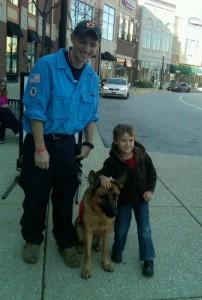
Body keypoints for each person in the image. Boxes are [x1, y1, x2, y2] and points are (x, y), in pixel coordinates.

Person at [19, 20, 101, 267]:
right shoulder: (46, 66)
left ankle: (64, 242)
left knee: (65, 197)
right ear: (72, 39)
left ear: (96, 47)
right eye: (83, 41)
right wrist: (40, 148)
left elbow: (92, 116)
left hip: (67, 147)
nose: (87, 48)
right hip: (41, 141)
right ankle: (32, 240)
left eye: (92, 44)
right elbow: (35, 111)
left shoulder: (92, 78)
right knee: (36, 196)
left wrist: (88, 144)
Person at [97, 124, 157, 277]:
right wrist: (103, 177)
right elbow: (101, 173)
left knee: (144, 230)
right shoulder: (112, 161)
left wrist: (150, 190)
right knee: (121, 228)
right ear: (116, 142)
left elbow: (152, 173)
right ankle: (118, 250)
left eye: (131, 140)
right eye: (123, 140)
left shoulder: (142, 156)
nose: (128, 144)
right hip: (124, 201)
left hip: (142, 200)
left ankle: (148, 259)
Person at [0, 78, 20, 144]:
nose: (3, 87)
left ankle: (1, 139)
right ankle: (17, 129)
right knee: (7, 111)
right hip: (2, 110)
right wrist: (3, 106)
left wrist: (7, 105)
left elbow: (5, 103)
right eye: (1, 85)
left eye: (4, 85)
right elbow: (3, 106)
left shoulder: (4, 94)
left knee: (5, 119)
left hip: (2, 112)